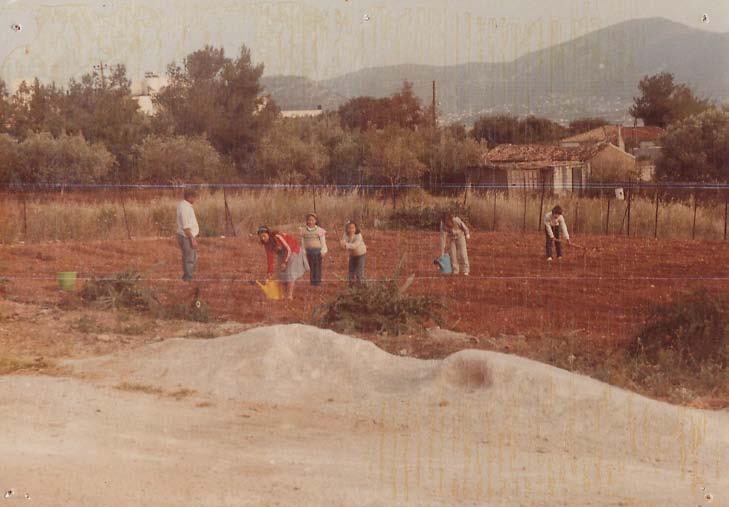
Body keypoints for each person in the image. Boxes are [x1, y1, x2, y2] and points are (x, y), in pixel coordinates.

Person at [257, 225, 309, 300]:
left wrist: (285, 262)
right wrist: (269, 272)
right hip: (282, 253)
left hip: (293, 250)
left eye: (264, 236)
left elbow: (288, 249)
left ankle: (289, 296)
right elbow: (269, 257)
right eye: (261, 237)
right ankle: (283, 295)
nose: (263, 238)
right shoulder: (266, 244)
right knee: (281, 274)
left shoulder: (277, 237)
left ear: (268, 233)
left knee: (289, 273)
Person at [176, 187, 199, 282]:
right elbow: (186, 227)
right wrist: (192, 239)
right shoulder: (184, 208)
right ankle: (188, 278)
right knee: (189, 259)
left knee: (191, 257)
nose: (195, 199)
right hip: (186, 236)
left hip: (186, 236)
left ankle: (187, 276)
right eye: (194, 197)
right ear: (190, 197)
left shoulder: (185, 205)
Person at [300, 213, 328, 287]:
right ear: (307, 221)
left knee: (317, 266)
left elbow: (323, 242)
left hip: (317, 251)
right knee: (311, 266)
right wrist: (304, 251)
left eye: (312, 220)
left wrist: (323, 251)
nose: (310, 222)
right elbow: (303, 242)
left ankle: (317, 282)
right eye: (309, 220)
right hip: (309, 251)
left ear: (315, 221)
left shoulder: (319, 230)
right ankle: (312, 282)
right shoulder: (303, 230)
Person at [340, 221, 366, 286]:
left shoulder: (358, 235)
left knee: (359, 271)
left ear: (356, 228)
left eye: (352, 228)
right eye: (349, 228)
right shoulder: (345, 234)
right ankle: (351, 286)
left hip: (361, 254)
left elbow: (355, 246)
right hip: (352, 255)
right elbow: (344, 242)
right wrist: (342, 244)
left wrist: (345, 245)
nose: (351, 230)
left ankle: (360, 286)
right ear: (346, 228)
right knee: (351, 271)